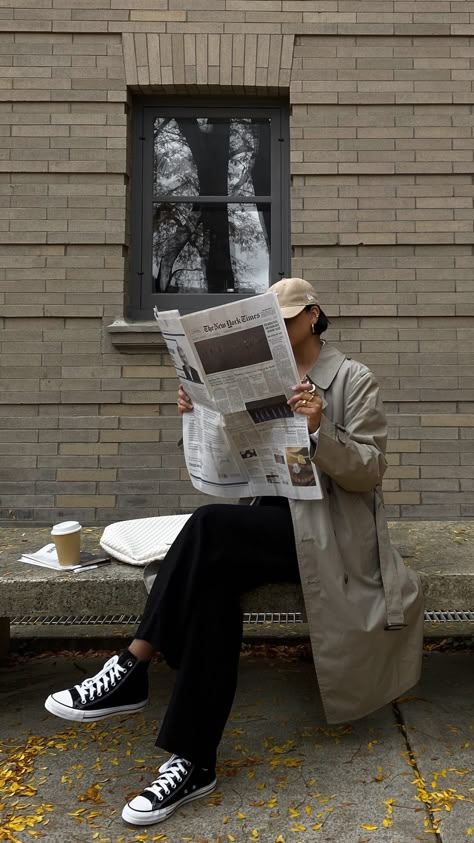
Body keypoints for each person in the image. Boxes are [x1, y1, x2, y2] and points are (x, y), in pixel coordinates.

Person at [44, 277, 424, 828]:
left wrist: (319, 431)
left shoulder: (350, 378)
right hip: (263, 524)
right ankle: (193, 761)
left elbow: (370, 472)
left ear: (313, 317)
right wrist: (197, 413)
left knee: (207, 529)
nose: (278, 327)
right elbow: (233, 465)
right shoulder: (258, 375)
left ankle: (132, 663)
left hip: (326, 533)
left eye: (287, 318)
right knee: (212, 588)